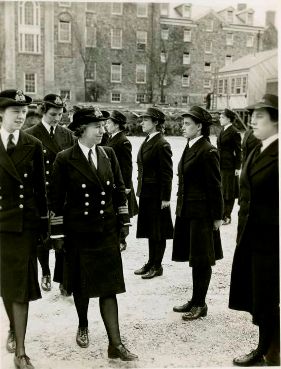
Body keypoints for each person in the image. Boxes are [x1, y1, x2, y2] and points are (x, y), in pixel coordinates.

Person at [50, 107, 138, 361]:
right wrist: (57, 234)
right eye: (96, 127)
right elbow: (55, 200)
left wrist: (123, 221)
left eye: (103, 126)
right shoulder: (65, 158)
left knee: (109, 288)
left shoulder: (108, 154)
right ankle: (83, 324)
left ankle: (116, 344)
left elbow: (119, 189)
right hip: (79, 232)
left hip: (106, 230)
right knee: (81, 285)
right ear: (82, 130)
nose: (102, 131)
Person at [229, 94, 279, 366]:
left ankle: (272, 352)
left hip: (273, 241)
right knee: (261, 296)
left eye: (260, 116)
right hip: (253, 237)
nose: (252, 120)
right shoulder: (258, 148)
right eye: (252, 115)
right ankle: (265, 348)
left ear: (276, 121)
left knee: (271, 298)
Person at [0, 89, 48, 369]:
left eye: (24, 112)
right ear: (1, 114)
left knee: (19, 288)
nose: (20, 116)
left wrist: (43, 228)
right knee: (6, 285)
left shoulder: (33, 144)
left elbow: (40, 191)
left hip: (21, 227)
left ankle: (20, 350)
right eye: (14, 111)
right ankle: (12, 329)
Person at [172, 106, 223, 320]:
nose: (182, 127)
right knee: (195, 258)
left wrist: (218, 216)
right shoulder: (190, 145)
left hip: (202, 213)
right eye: (183, 123)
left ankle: (200, 304)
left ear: (199, 126)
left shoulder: (208, 150)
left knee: (202, 259)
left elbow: (215, 186)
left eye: (187, 124)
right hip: (188, 210)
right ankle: (195, 299)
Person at [26, 94, 75, 295]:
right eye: (53, 114)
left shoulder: (67, 134)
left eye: (60, 114)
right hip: (41, 193)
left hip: (62, 194)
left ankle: (63, 278)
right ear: (43, 112)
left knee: (63, 236)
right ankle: (45, 271)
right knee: (44, 236)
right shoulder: (30, 134)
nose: (57, 118)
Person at [134, 107, 173, 279]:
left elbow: (167, 173)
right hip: (147, 192)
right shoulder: (149, 140)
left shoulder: (162, 144)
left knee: (158, 231)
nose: (141, 122)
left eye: (145, 120)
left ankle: (157, 265)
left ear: (156, 122)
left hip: (157, 194)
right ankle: (151, 262)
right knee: (151, 230)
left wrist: (166, 197)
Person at [105, 110, 138, 251]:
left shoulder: (123, 141)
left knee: (122, 211)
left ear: (117, 125)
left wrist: (124, 186)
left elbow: (126, 166)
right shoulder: (111, 138)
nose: (106, 125)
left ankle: (122, 240)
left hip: (121, 182)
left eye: (109, 123)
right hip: (112, 180)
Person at [217, 108, 241, 225]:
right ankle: (222, 214)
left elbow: (238, 150)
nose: (219, 119)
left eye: (221, 117)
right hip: (220, 164)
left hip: (229, 166)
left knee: (229, 191)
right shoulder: (222, 130)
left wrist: (237, 167)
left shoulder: (234, 131)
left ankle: (227, 216)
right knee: (222, 190)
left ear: (228, 119)